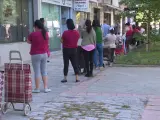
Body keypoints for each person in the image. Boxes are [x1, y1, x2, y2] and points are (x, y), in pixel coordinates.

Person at [27, 20, 51, 93]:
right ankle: (46, 88)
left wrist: (33, 42)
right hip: (44, 54)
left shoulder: (33, 34)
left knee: (37, 71)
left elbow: (28, 41)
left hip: (35, 54)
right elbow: (48, 43)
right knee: (44, 71)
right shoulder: (45, 33)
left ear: (36, 26)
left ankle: (37, 88)